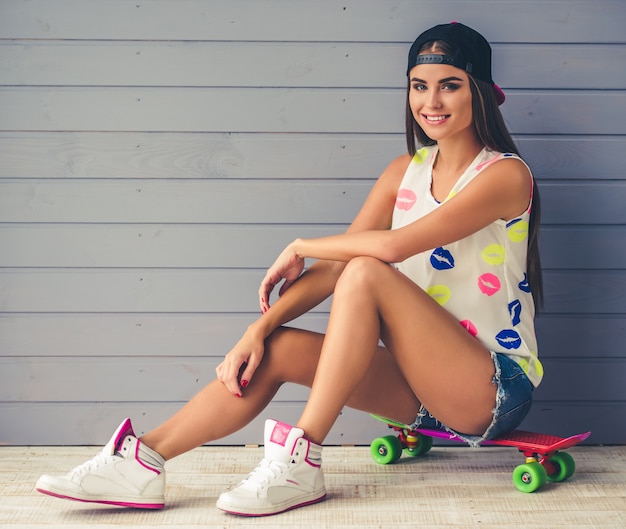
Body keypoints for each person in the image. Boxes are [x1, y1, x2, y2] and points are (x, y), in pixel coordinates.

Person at [36, 21, 543, 517]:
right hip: (421, 391)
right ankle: (142, 462)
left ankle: (301, 459)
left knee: (365, 270)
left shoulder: (505, 175)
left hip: (492, 388)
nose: (431, 102)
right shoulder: (402, 173)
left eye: (449, 86)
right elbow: (329, 271)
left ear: (480, 93)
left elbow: (391, 247)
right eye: (419, 86)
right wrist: (257, 329)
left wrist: (300, 244)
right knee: (277, 348)